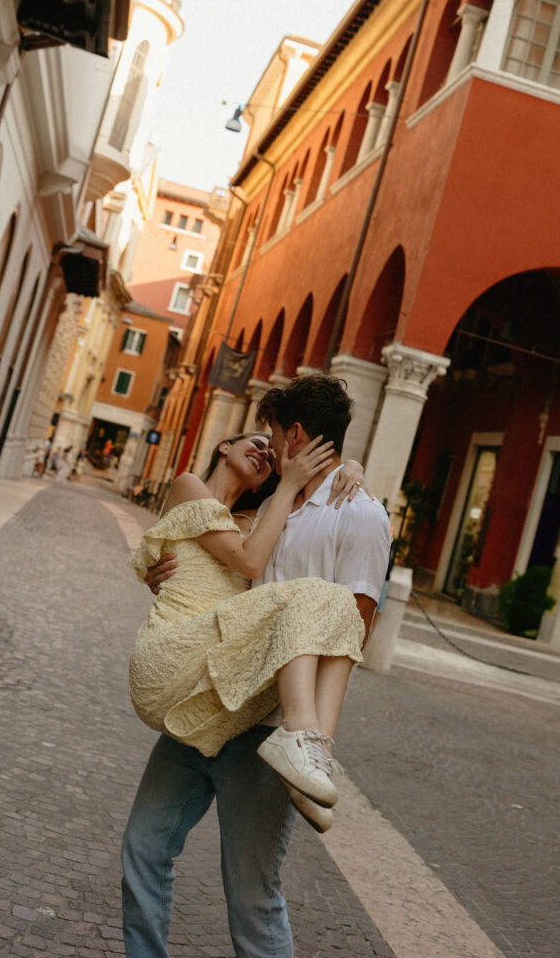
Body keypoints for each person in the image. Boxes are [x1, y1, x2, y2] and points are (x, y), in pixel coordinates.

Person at [121, 374, 390, 958]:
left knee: (251, 896)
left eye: (272, 435)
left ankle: (305, 742)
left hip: (267, 730)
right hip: (206, 693)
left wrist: (317, 734)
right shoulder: (264, 505)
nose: (266, 450)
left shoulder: (361, 514)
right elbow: (199, 552)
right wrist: (160, 573)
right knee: (143, 849)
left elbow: (355, 626)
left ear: (294, 434)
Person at [127, 431, 364, 801]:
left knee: (342, 605)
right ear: (225, 445)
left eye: (271, 458)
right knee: (318, 592)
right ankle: (300, 738)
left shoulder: (260, 518)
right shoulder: (189, 486)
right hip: (169, 654)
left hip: (214, 665)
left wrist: (351, 467)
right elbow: (250, 562)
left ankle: (315, 761)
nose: (265, 454)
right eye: (257, 444)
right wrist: (288, 484)